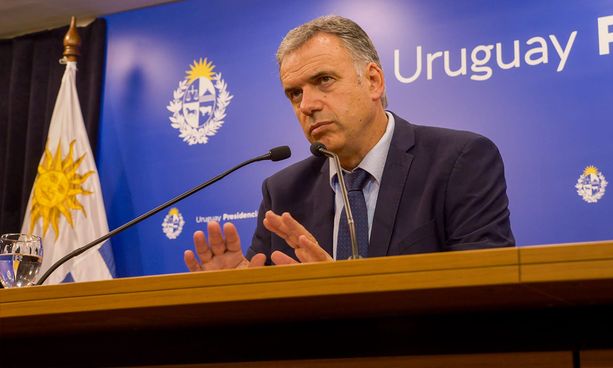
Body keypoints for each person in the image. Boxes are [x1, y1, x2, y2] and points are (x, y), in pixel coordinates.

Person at [184, 15, 514, 271]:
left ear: (373, 81)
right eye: (295, 93)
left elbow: (486, 289)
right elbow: (268, 305)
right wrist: (241, 290)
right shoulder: (283, 192)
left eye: (323, 80)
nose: (307, 105)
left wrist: (345, 293)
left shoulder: (459, 161)